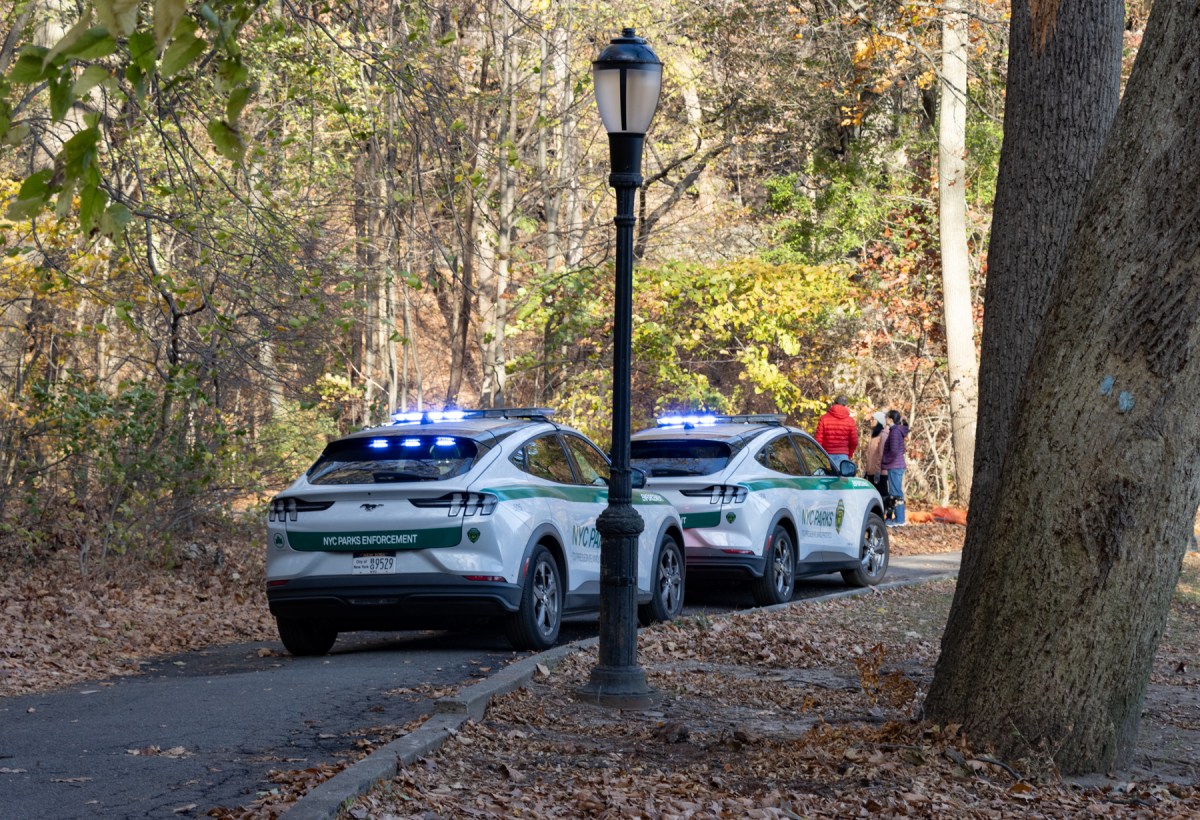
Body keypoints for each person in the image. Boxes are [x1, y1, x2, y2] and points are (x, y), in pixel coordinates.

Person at [813, 395, 859, 472]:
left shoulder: (824, 418)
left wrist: (820, 455)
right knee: (842, 482)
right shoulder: (850, 421)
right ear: (846, 406)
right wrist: (849, 454)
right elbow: (854, 442)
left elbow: (818, 440)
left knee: (826, 481)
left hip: (826, 456)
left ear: (834, 404)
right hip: (843, 456)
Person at [881, 409, 909, 526]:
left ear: (891, 419)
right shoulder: (896, 431)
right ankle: (898, 518)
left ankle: (899, 519)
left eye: (887, 418)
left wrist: (884, 460)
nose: (885, 420)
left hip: (895, 466)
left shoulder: (895, 432)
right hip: (896, 465)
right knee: (896, 492)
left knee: (896, 492)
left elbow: (894, 451)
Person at [864, 411, 891, 513]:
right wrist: (866, 470)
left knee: (882, 494)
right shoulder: (873, 435)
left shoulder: (883, 435)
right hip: (871, 471)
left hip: (880, 472)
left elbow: (881, 455)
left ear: (879, 421)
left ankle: (885, 515)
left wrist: (878, 470)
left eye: (873, 419)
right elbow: (870, 455)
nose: (870, 421)